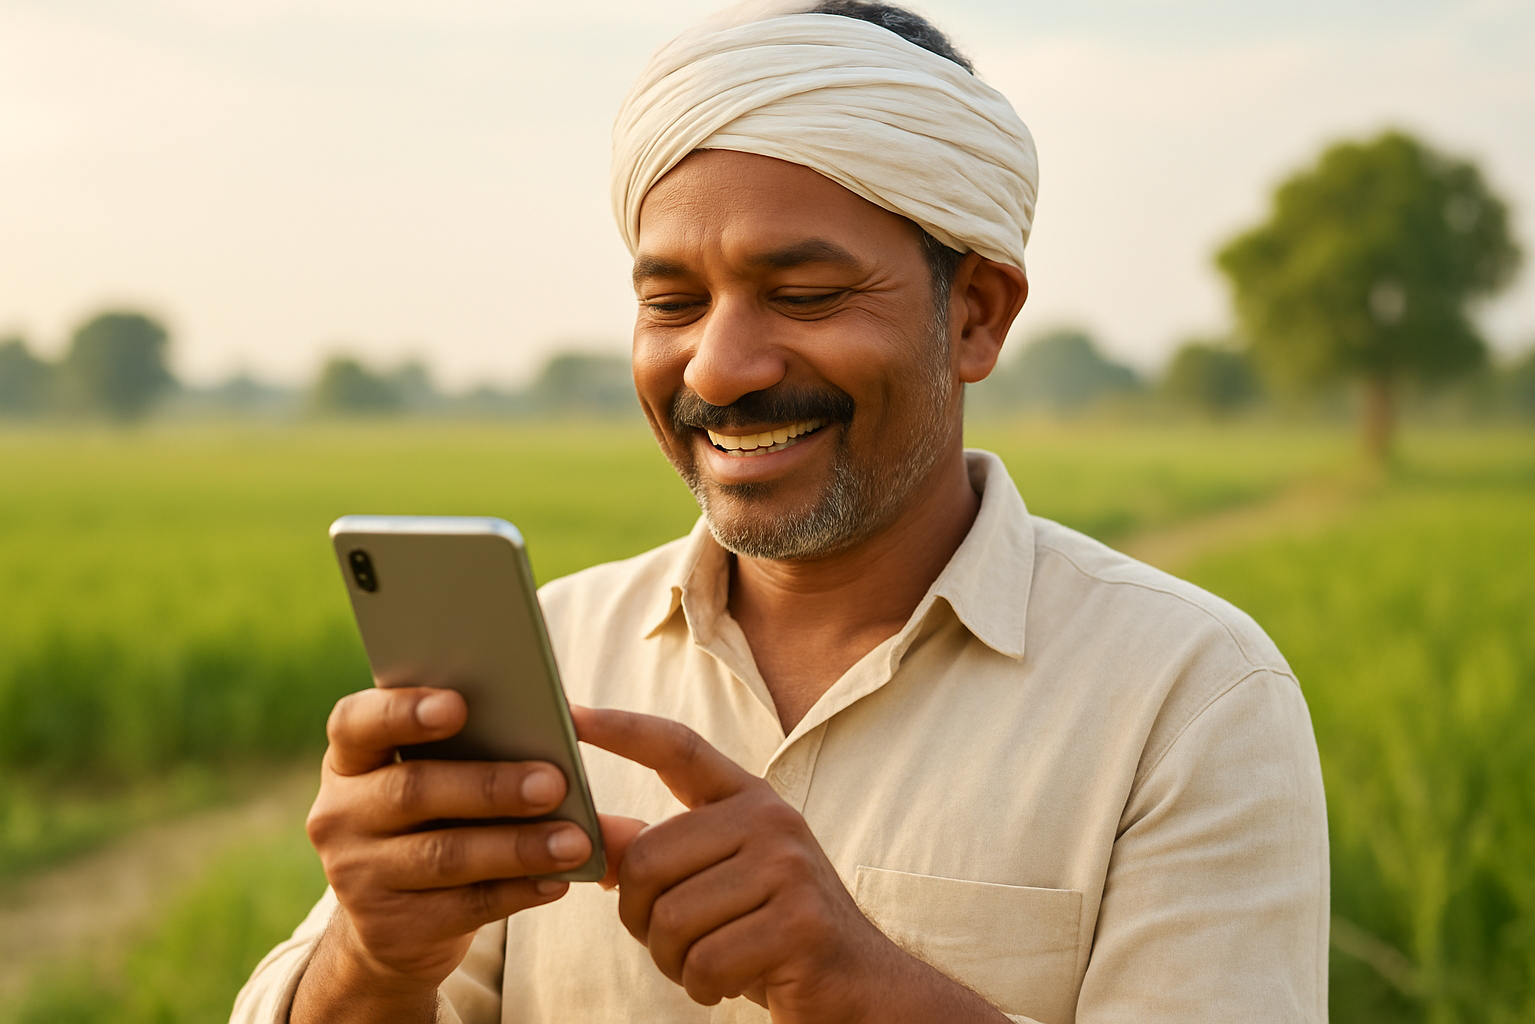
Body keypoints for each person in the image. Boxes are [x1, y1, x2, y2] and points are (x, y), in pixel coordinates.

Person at [233, 2, 1329, 1021]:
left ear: (978, 317)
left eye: (806, 295)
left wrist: (854, 978)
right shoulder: (548, 654)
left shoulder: (1191, 698)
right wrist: (373, 960)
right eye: (672, 303)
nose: (721, 366)